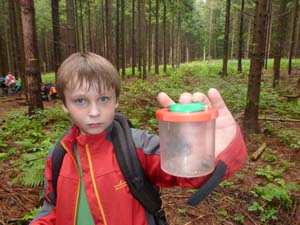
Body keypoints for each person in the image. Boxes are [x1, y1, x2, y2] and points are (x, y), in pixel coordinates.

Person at [31, 52, 247, 225]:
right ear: (64, 105)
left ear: (116, 101)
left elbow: (186, 174)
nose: (94, 111)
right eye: (80, 101)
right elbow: (52, 207)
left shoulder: (136, 147)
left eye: (104, 99)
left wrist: (209, 152)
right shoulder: (59, 155)